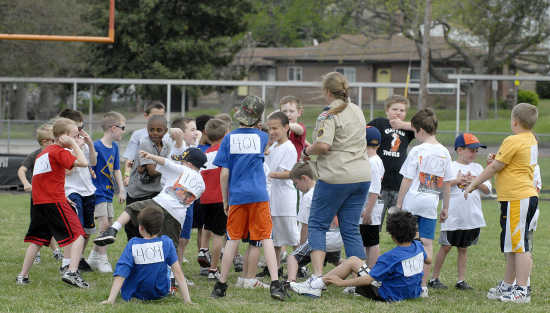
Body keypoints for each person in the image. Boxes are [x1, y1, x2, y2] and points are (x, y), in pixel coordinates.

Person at [297, 71, 371, 297]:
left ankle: (317, 279)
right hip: (361, 175)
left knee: (318, 224)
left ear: (327, 92)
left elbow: (324, 145)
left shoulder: (327, 115)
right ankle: (359, 281)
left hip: (336, 176)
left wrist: (307, 150)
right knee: (350, 228)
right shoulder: (357, 110)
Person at [210, 95, 287, 300]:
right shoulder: (262, 137)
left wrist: (226, 200)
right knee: (266, 237)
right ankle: (276, 284)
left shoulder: (228, 138)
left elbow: (224, 173)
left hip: (237, 195)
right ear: (258, 118)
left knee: (233, 239)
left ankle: (221, 284)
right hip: (259, 195)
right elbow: (265, 144)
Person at [465, 103, 539, 304]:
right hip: (518, 197)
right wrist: (496, 160)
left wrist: (473, 184)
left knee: (519, 245)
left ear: (514, 121)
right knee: (511, 245)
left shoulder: (513, 139)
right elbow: (509, 163)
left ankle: (522, 289)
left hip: (518, 198)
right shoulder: (530, 138)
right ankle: (508, 284)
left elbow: (496, 167)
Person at [16, 118, 90, 288]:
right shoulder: (58, 150)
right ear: (63, 136)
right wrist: (74, 145)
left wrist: (64, 196)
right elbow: (84, 163)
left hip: (40, 202)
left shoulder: (45, 152)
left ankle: (22, 276)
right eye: (73, 135)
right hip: (53, 201)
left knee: (38, 240)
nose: (76, 137)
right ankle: (72, 272)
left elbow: (50, 179)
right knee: (79, 235)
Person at [393, 108, 452, 298]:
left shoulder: (417, 150)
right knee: (427, 243)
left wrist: (399, 204)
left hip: (412, 202)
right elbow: (448, 183)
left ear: (419, 130)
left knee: (407, 241)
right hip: (430, 204)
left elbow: (407, 179)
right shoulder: (445, 152)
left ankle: (405, 281)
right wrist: (445, 208)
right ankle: (423, 286)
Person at [322, 211, 431, 302]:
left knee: (353, 261)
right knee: (359, 264)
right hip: (412, 293)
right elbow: (429, 260)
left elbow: (368, 280)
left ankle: (318, 283)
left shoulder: (390, 257)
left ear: (393, 236)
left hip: (386, 295)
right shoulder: (418, 246)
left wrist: (342, 283)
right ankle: (321, 282)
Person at [428, 133, 491, 290]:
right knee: (446, 246)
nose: (474, 154)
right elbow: (439, 186)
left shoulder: (478, 168)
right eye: (471, 150)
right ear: (459, 150)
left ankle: (461, 280)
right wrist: (457, 181)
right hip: (453, 216)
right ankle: (434, 278)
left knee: (463, 248)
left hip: (470, 216)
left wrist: (474, 181)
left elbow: (488, 190)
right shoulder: (450, 166)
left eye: (477, 151)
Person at [101, 206, 192, 304]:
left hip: (134, 293)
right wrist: (188, 300)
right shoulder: (167, 242)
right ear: (160, 227)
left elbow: (121, 273)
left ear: (141, 227)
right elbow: (178, 272)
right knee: (170, 269)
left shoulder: (133, 244)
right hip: (160, 293)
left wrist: (110, 300)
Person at [87, 112, 127, 273]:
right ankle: (102, 259)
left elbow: (116, 169)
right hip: (97, 193)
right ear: (113, 128)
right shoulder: (96, 146)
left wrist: (121, 190)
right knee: (104, 225)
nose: (124, 131)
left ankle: (93, 257)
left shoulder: (115, 147)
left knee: (109, 224)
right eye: (122, 128)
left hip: (109, 193)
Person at [367, 95, 415, 229]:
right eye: (395, 109)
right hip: (379, 185)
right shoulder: (380, 123)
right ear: (387, 110)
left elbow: (426, 128)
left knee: (400, 226)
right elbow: (363, 131)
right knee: (374, 224)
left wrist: (402, 125)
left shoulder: (408, 130)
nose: (398, 113)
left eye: (402, 110)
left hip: (398, 185)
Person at [17, 123, 62, 264]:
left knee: (50, 226)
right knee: (39, 227)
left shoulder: (56, 153)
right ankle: (37, 253)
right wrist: (25, 183)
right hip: (38, 198)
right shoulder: (35, 155)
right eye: (53, 140)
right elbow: (21, 170)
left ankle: (56, 252)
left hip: (53, 197)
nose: (56, 142)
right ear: (45, 141)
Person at [60, 109, 98, 273]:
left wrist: (88, 143)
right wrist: (77, 147)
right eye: (77, 131)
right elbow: (67, 171)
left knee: (88, 230)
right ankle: (67, 263)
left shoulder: (81, 143)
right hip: (73, 191)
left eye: (81, 129)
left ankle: (79, 257)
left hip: (88, 191)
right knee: (77, 229)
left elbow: (93, 162)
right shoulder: (64, 149)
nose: (80, 133)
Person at [123, 115, 170, 241]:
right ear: (147, 129)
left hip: (154, 191)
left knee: (152, 224)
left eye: (159, 130)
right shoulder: (145, 143)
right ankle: (133, 251)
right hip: (137, 192)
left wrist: (166, 166)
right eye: (151, 130)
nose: (154, 133)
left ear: (165, 131)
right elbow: (152, 171)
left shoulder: (166, 145)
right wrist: (169, 168)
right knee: (134, 226)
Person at [196, 119, 228, 280]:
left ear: (206, 134)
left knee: (206, 226)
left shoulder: (205, 154)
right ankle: (213, 269)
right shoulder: (225, 152)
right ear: (226, 133)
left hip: (204, 199)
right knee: (218, 235)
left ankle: (202, 249)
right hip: (220, 199)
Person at [266, 112, 299, 270]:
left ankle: (300, 265)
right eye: (270, 128)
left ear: (286, 128)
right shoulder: (273, 146)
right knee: (275, 239)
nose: (272, 132)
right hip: (272, 200)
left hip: (285, 200)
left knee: (293, 237)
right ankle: (275, 267)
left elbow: (290, 173)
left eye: (275, 128)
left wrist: (271, 174)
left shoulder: (289, 148)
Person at [122, 101, 166, 186]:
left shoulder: (168, 135)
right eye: (155, 116)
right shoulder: (138, 135)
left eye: (162, 116)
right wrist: (127, 175)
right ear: (146, 116)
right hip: (141, 184)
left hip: (161, 185)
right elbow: (130, 158)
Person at [360, 126, 385, 268]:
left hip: (369, 208)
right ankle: (366, 273)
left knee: (371, 242)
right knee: (367, 242)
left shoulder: (372, 162)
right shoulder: (374, 160)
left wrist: (368, 212)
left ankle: (371, 274)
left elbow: (375, 190)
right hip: (368, 206)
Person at [280, 95, 307, 160]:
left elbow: (300, 130)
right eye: (284, 111)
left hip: (294, 166)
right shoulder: (280, 128)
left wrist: (283, 124)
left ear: (299, 113)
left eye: (291, 111)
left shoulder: (299, 127)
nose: (287, 114)